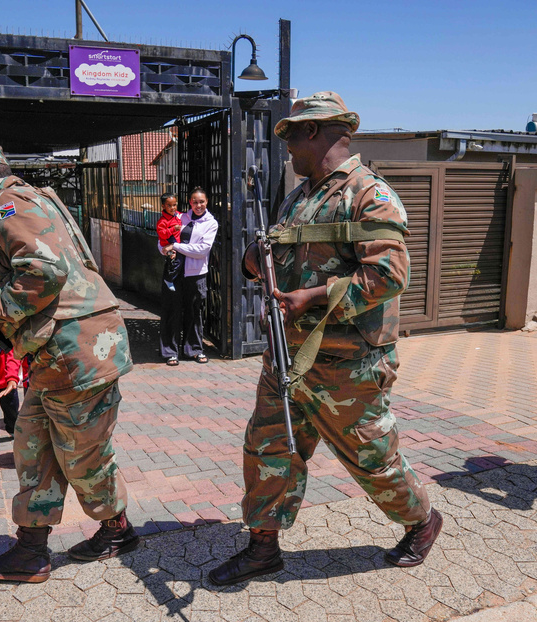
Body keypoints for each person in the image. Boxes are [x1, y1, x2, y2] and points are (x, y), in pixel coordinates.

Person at [208, 92, 441, 586]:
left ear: (314, 131)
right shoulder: (301, 195)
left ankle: (421, 520)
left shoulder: (369, 194)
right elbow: (284, 254)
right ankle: (263, 547)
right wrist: (257, 259)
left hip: (347, 364)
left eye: (291, 134)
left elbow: (390, 274)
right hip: (288, 357)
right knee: (269, 448)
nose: (287, 146)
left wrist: (312, 298)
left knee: (371, 459)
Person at [0, 142, 136, 584]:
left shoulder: (6, 207)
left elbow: (43, 272)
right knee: (33, 444)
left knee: (83, 455)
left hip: (75, 354)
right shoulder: (30, 198)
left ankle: (117, 530)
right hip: (59, 352)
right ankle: (31, 550)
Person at [158, 187, 217, 365]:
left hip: (196, 274)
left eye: (202, 202)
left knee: (194, 311)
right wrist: (165, 251)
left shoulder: (211, 223)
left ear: (207, 202)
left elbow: (202, 250)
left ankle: (194, 350)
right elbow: (161, 242)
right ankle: (170, 352)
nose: (198, 205)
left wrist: (175, 247)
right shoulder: (180, 216)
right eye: (194, 201)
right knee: (171, 310)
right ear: (189, 202)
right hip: (174, 272)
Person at [156, 192, 184, 295]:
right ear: (163, 206)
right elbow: (161, 234)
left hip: (175, 243)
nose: (172, 208)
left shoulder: (176, 216)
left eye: (174, 205)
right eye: (169, 205)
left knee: (177, 261)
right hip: (169, 243)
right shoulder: (162, 221)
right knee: (176, 261)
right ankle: (169, 278)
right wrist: (173, 229)